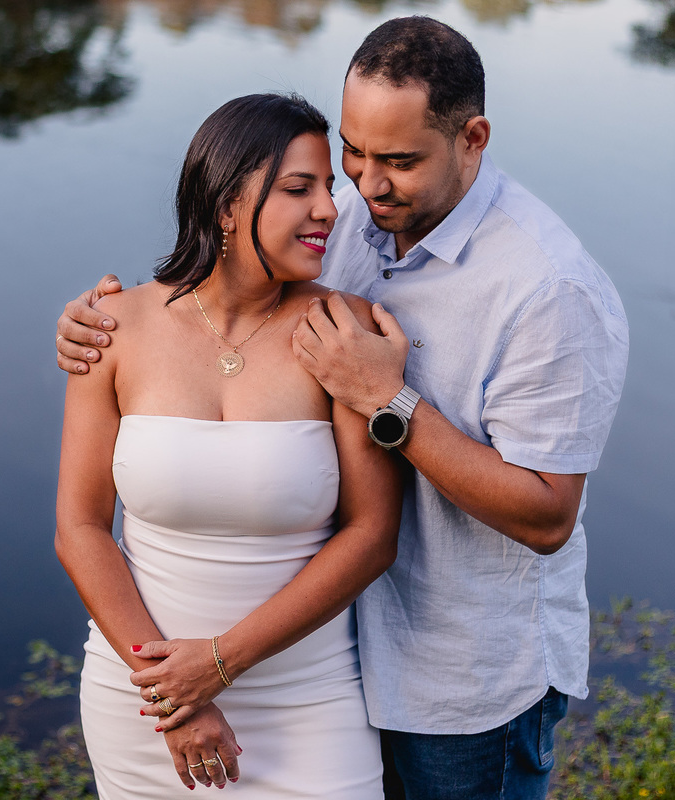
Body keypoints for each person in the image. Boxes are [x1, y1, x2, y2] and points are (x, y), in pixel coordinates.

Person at [57, 17, 628, 800]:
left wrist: (384, 399)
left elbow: (547, 516)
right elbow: (235, 270)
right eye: (351, 155)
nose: (357, 187)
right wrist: (96, 329)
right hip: (341, 649)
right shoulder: (359, 213)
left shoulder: (548, 289)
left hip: (457, 674)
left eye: (395, 161)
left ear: (472, 139)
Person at [55, 92, 402, 799]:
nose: (330, 210)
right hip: (144, 700)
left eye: (328, 189)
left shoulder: (344, 331)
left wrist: (216, 664)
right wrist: (171, 694)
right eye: (299, 188)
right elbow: (80, 528)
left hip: (310, 702)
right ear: (225, 203)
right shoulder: (114, 327)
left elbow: (372, 535)